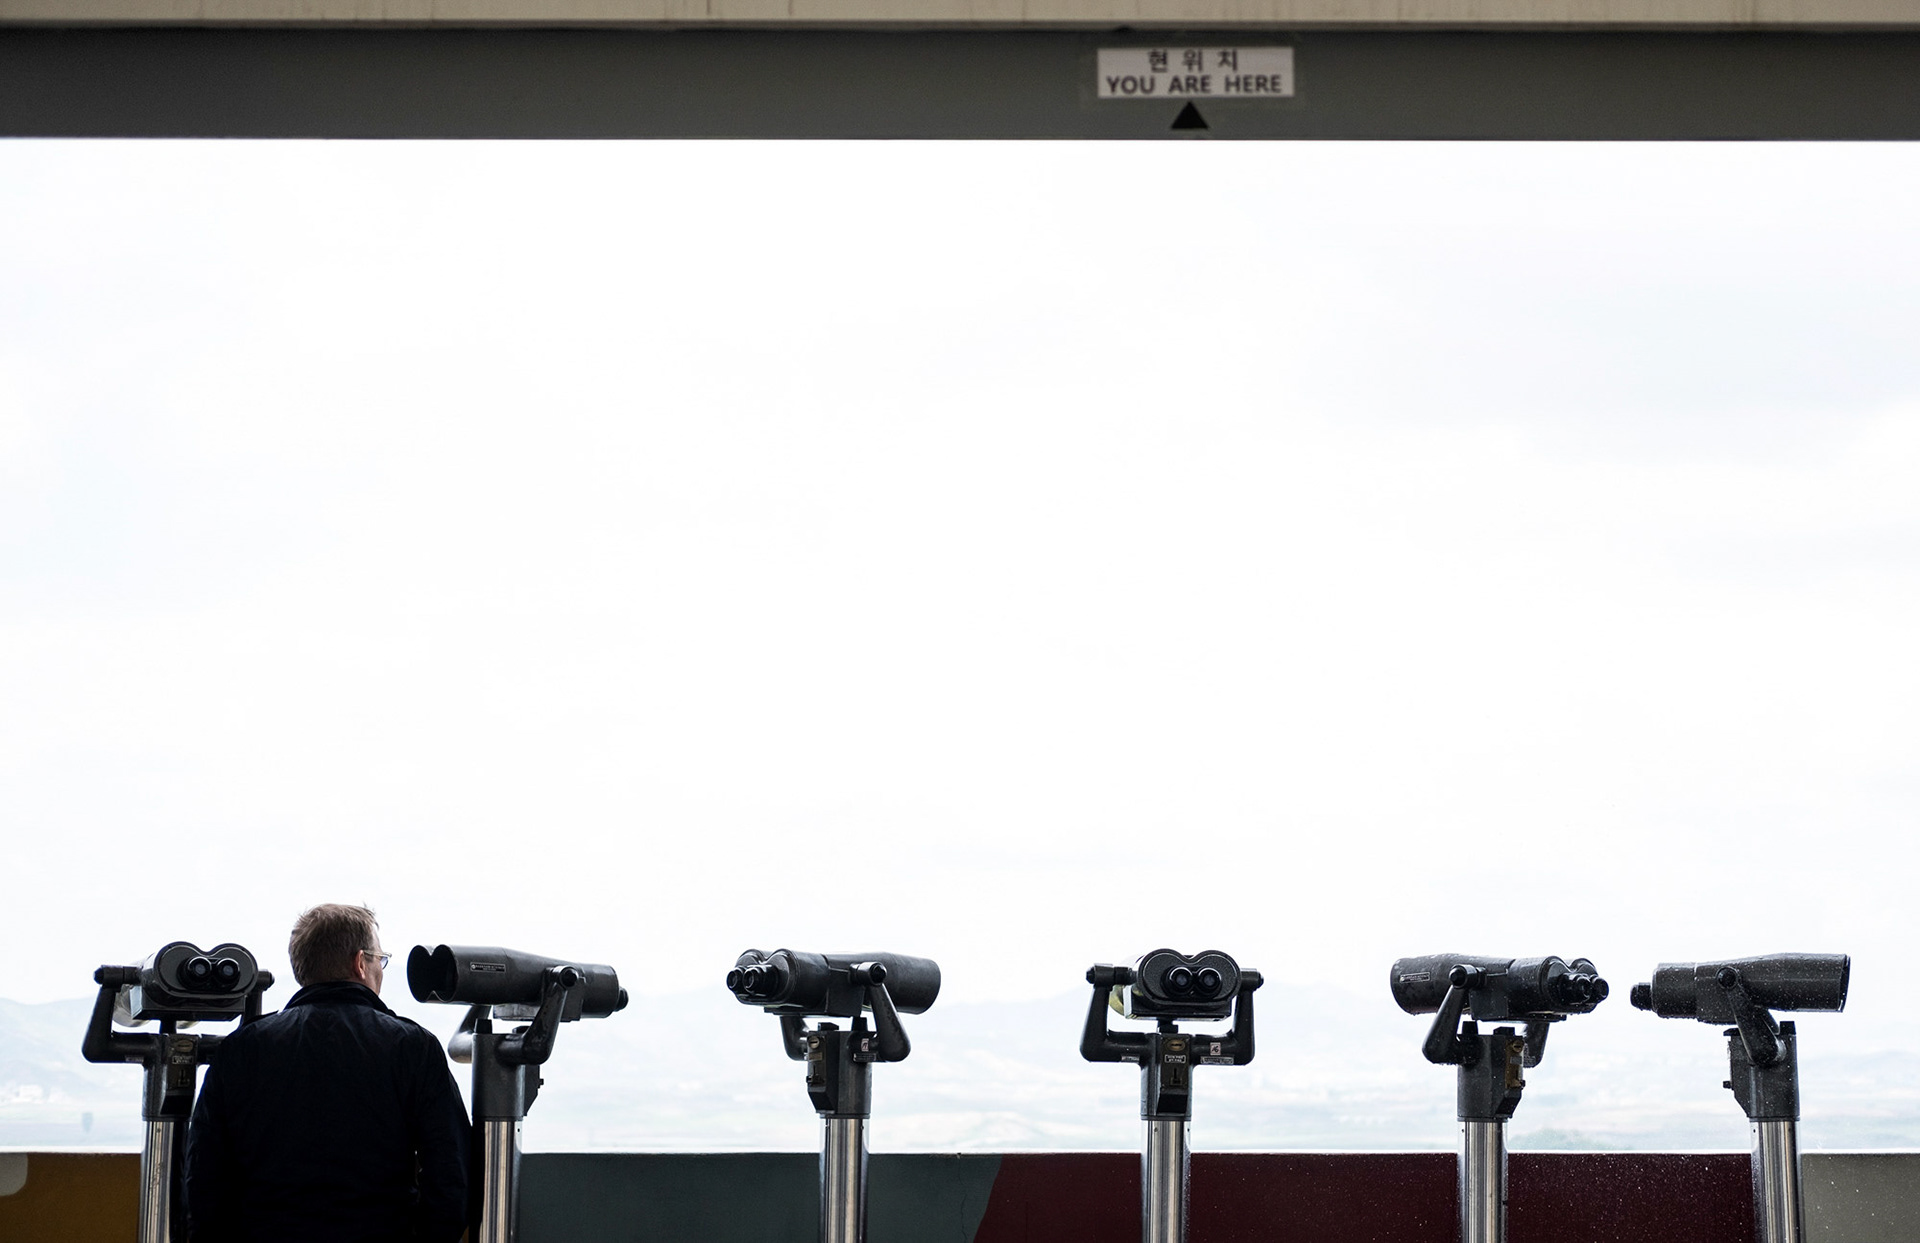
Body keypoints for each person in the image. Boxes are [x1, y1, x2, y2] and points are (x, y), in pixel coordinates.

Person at [185, 904, 470, 1242]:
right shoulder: (413, 1047)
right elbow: (452, 1175)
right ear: (360, 963)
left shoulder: (239, 1050)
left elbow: (203, 1181)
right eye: (381, 959)